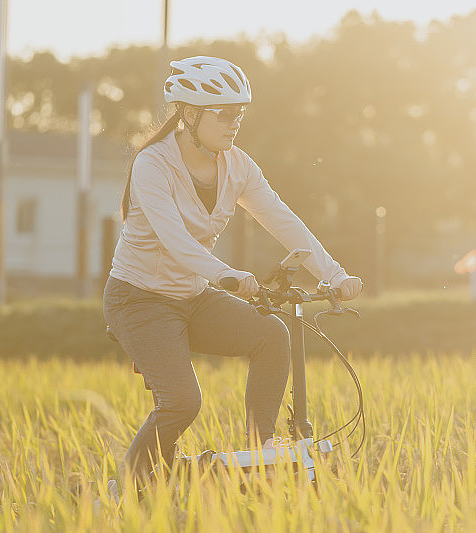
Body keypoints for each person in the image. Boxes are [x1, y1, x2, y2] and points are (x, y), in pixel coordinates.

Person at [102, 56, 363, 496]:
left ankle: (258, 452)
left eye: (239, 113)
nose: (234, 122)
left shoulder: (238, 165)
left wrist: (334, 275)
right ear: (189, 114)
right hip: (139, 299)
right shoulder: (153, 164)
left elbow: (283, 220)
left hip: (193, 295)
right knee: (182, 402)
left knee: (270, 334)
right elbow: (174, 240)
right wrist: (227, 275)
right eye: (224, 113)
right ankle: (122, 491)